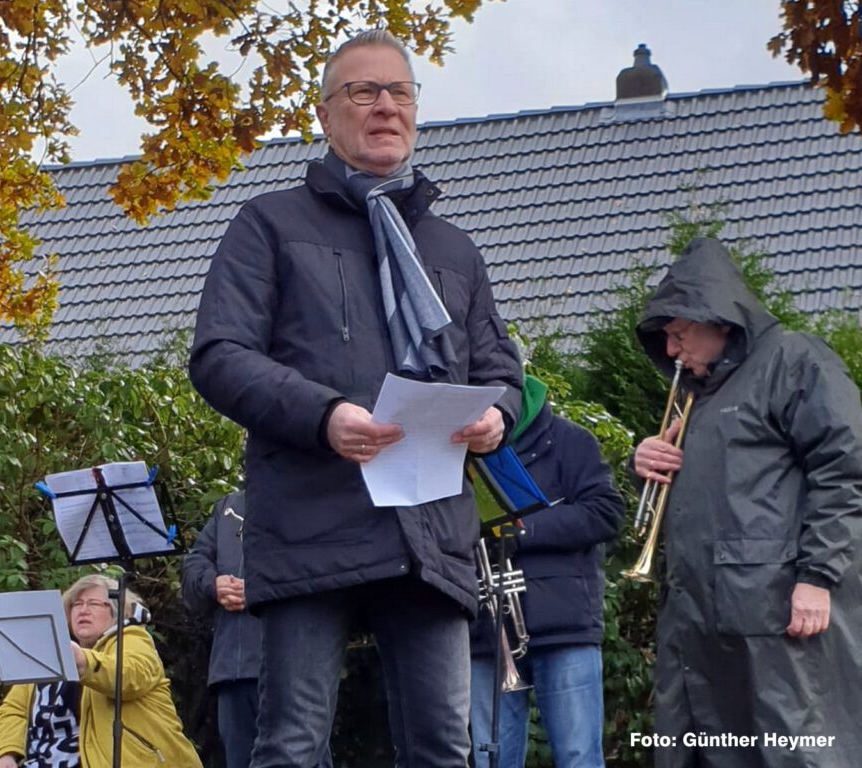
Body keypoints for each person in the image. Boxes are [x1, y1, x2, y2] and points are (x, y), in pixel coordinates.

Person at [188, 28, 523, 768]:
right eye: (362, 91)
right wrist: (323, 414)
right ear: (327, 114)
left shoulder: (455, 248)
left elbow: (504, 368)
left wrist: (498, 414)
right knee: (293, 747)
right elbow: (219, 355)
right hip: (311, 521)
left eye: (399, 92)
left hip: (431, 531)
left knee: (444, 749)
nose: (384, 107)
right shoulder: (268, 224)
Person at [632, 237, 862, 767]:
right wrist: (642, 460)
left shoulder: (796, 361)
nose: (671, 350)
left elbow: (846, 470)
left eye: (678, 332)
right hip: (700, 619)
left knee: (792, 750)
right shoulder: (699, 393)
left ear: (718, 320)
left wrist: (818, 576)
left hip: (775, 614)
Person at [469, 374, 624, 768]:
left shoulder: (571, 441)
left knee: (579, 758)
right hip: (486, 630)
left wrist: (521, 532)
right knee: (493, 760)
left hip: (565, 624)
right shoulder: (458, 454)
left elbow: (606, 512)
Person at [182, 490, 334, 768]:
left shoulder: (311, 499)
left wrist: (260, 588)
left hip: (294, 666)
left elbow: (326, 571)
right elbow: (194, 565)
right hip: (233, 668)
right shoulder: (228, 506)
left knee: (305, 760)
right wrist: (212, 584)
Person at [0, 574, 203, 768]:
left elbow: (129, 676)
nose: (83, 610)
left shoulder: (132, 640)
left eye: (93, 603)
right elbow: (14, 709)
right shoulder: (48, 653)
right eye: (77, 604)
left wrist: (84, 661)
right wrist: (6, 754)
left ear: (118, 611)